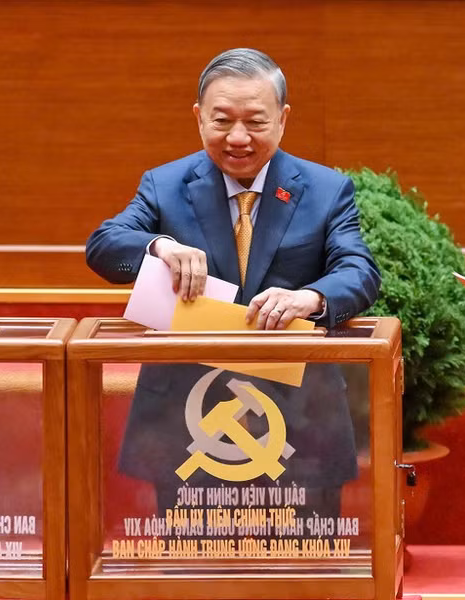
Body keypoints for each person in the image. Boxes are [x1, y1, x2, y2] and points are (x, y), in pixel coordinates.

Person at [86, 49, 381, 529]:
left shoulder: (327, 189)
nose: (238, 138)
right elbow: (104, 246)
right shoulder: (164, 185)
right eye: (222, 121)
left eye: (256, 122)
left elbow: (359, 270)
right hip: (189, 417)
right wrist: (158, 246)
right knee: (193, 569)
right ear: (199, 116)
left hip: (299, 416)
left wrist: (313, 298)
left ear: (283, 120)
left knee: (301, 570)